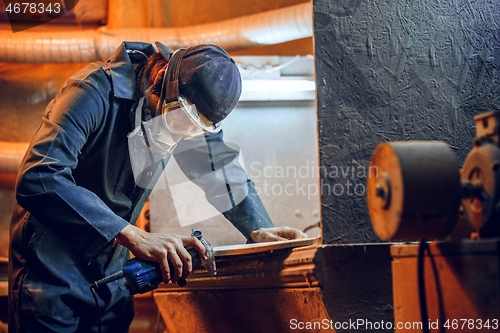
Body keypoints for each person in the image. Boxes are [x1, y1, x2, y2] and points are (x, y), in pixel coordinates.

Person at [8, 41, 308, 332]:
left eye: (197, 131)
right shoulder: (92, 91)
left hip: (111, 281)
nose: (183, 137)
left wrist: (259, 231)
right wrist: (134, 236)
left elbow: (219, 169)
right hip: (49, 274)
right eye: (183, 122)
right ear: (163, 83)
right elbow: (40, 175)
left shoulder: (187, 115)